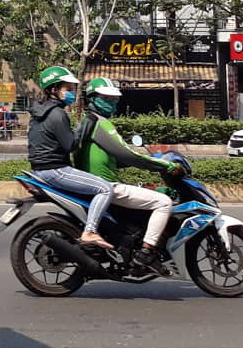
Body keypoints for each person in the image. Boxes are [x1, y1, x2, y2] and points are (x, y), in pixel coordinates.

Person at [73, 77, 186, 273]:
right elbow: (128, 154)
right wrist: (163, 165)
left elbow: (117, 160)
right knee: (164, 202)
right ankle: (145, 253)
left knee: (148, 191)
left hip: (96, 183)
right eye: (106, 98)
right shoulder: (101, 124)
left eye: (114, 99)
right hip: (107, 186)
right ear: (91, 98)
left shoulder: (87, 121)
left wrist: (152, 163)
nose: (111, 102)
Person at [26, 65, 115, 249]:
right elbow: (71, 146)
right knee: (105, 188)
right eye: (68, 89)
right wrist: (84, 127)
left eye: (73, 89)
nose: (72, 93)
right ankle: (90, 231)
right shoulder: (57, 114)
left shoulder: (40, 111)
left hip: (41, 169)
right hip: (55, 170)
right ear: (54, 89)